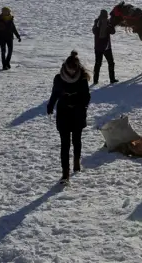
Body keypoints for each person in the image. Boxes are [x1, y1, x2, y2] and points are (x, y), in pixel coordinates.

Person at [46, 50, 91, 185]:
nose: (72, 73)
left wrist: (82, 105)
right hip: (63, 113)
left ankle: (76, 162)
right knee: (64, 144)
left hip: (77, 113)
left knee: (76, 140)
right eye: (70, 70)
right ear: (66, 67)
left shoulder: (82, 79)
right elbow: (55, 93)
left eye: (74, 70)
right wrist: (50, 105)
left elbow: (86, 96)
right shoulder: (59, 78)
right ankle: (65, 173)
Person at [91, 9, 118, 85]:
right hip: (106, 47)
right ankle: (112, 79)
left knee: (98, 64)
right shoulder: (103, 22)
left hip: (98, 47)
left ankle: (95, 80)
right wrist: (108, 26)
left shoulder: (97, 21)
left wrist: (107, 26)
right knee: (111, 63)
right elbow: (113, 32)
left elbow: (94, 31)